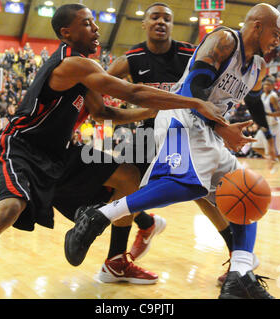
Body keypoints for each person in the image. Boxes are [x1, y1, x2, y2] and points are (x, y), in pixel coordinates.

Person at [0, 4, 227, 299]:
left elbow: (104, 114)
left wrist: (148, 113)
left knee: (129, 178)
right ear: (66, 33)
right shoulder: (74, 63)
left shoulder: (86, 68)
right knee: (10, 209)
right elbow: (130, 91)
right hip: (21, 146)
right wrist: (194, 102)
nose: (95, 28)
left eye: (94, 22)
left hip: (59, 154)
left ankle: (118, 259)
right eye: (86, 23)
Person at [65, 3, 280, 299]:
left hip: (209, 129)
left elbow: (256, 103)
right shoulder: (224, 40)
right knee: (188, 184)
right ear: (257, 26)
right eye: (276, 32)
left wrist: (267, 136)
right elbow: (195, 91)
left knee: (247, 194)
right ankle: (102, 217)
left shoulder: (257, 66)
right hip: (181, 118)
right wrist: (223, 129)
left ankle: (240, 276)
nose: (278, 40)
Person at [105, 2, 257, 286]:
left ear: (172, 25)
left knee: (201, 192)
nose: (160, 22)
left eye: (166, 18)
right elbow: (101, 82)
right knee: (122, 182)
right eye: (154, 17)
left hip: (184, 131)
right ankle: (120, 255)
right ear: (145, 23)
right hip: (148, 134)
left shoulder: (193, 52)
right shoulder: (132, 58)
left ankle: (237, 255)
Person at [251, 77, 280, 182]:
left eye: (268, 84)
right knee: (255, 146)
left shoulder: (273, 97)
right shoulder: (263, 95)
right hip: (265, 126)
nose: (266, 86)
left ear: (272, 86)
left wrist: (267, 114)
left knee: (277, 152)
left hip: (274, 127)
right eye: (265, 84)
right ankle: (273, 159)